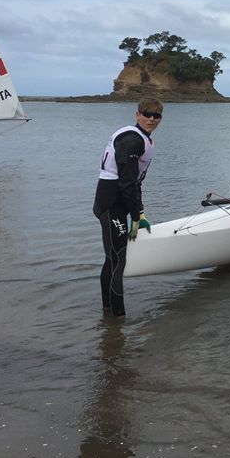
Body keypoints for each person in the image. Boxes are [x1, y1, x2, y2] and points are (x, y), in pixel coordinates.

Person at [92, 98, 163, 318]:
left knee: (112, 258)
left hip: (116, 200)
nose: (151, 119)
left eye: (156, 115)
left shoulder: (140, 138)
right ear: (137, 114)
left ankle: (107, 312)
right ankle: (118, 319)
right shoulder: (132, 141)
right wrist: (136, 214)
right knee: (117, 259)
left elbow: (135, 182)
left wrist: (137, 211)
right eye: (146, 114)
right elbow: (126, 182)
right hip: (112, 201)